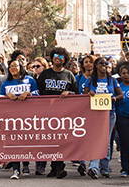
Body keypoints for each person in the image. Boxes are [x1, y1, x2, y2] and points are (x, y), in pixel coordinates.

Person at [36, 47, 78, 179]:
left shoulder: (69, 75)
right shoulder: (45, 74)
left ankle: (59, 167)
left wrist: (69, 93)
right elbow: (37, 92)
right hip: (46, 113)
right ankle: (54, 168)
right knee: (50, 140)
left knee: (60, 140)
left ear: (65, 59)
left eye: (61, 56)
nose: (57, 58)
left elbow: (77, 94)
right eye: (55, 55)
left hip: (63, 114)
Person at [83, 57, 124, 179]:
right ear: (96, 66)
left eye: (105, 64)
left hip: (109, 113)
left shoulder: (112, 80)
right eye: (101, 64)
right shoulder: (90, 80)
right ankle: (94, 167)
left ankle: (104, 168)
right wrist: (88, 94)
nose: (104, 66)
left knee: (106, 141)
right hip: (94, 114)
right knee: (95, 140)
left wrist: (114, 99)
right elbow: (83, 97)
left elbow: (121, 95)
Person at [1, 56, 40, 179]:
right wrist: (8, 96)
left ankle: (26, 164)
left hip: (27, 118)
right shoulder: (5, 83)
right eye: (11, 66)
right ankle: (16, 169)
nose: (13, 68)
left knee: (26, 142)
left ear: (20, 67)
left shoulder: (30, 80)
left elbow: (38, 96)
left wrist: (27, 94)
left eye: (15, 66)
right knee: (13, 143)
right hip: (11, 118)